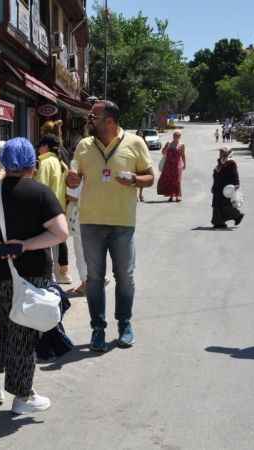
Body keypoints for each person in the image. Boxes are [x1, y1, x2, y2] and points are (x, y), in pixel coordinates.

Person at [0, 137, 68, 414]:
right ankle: (23, 395)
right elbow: (60, 232)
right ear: (32, 162)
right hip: (28, 275)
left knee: (1, 323)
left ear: (4, 162)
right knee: (22, 332)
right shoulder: (40, 194)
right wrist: (26, 245)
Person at [67, 100, 155, 352]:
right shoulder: (84, 145)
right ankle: (98, 329)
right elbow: (74, 177)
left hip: (122, 223)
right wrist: (71, 177)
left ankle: (125, 324)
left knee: (124, 277)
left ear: (110, 121)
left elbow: (150, 178)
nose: (89, 121)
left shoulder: (135, 143)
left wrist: (135, 179)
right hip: (90, 222)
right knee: (94, 279)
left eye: (94, 117)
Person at [34, 134, 70, 283]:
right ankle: (63, 274)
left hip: (46, 209)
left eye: (40, 146)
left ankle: (51, 277)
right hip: (60, 208)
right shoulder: (62, 164)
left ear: (45, 147)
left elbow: (40, 187)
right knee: (59, 242)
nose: (38, 149)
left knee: (46, 244)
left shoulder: (44, 163)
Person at [211, 147, 243, 229]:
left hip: (226, 187)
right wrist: (213, 186)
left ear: (227, 153)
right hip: (218, 187)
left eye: (222, 152)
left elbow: (235, 174)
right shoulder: (220, 161)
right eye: (220, 152)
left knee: (225, 204)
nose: (220, 153)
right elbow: (216, 175)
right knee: (217, 204)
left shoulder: (231, 163)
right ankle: (219, 222)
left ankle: (237, 216)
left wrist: (237, 184)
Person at [156, 130, 186, 202]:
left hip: (177, 165)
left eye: (178, 136)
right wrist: (166, 148)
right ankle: (171, 195)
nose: (176, 137)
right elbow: (163, 152)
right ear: (173, 136)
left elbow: (183, 155)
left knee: (177, 180)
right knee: (169, 180)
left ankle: (177, 196)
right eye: (175, 136)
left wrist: (184, 164)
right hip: (168, 165)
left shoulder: (182, 145)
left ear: (180, 137)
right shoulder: (169, 143)